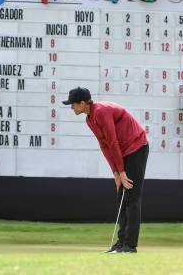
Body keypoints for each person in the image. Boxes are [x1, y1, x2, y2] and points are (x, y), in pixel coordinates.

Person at [64, 87, 149, 253]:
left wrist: (123, 172)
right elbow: (104, 145)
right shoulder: (89, 119)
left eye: (73, 104)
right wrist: (116, 173)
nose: (71, 107)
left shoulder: (101, 112)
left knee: (132, 196)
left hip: (136, 148)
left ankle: (130, 246)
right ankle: (120, 243)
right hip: (124, 152)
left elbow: (113, 142)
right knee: (122, 197)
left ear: (82, 103)